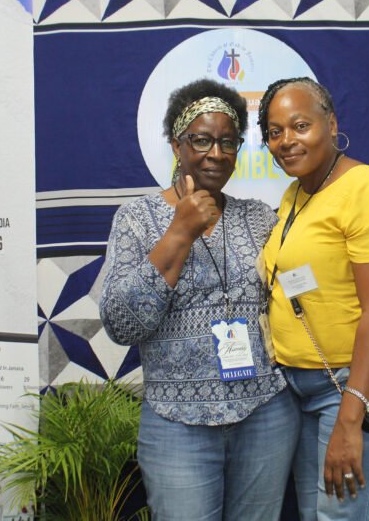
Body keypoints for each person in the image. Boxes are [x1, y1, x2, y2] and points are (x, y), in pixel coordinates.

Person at [99, 79, 298, 520]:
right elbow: (121, 324)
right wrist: (180, 231)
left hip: (265, 413)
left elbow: (304, 284)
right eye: (202, 139)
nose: (216, 152)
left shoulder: (259, 217)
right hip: (177, 422)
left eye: (228, 142)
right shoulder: (138, 218)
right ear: (176, 144)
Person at [258, 77, 369, 520]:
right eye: (275, 132)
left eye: (299, 125)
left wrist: (352, 416)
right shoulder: (296, 193)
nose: (286, 141)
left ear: (331, 124)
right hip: (304, 388)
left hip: (355, 388)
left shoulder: (365, 186)